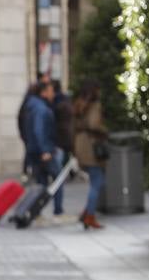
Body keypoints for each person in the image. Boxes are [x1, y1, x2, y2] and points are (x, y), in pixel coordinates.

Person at [25, 80, 65, 222]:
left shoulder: (31, 106)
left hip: (34, 151)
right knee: (58, 179)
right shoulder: (41, 109)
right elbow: (38, 130)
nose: (53, 93)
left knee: (41, 183)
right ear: (44, 92)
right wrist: (45, 150)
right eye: (50, 90)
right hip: (45, 151)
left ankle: (37, 211)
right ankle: (58, 210)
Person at [72, 79, 109, 230]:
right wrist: (105, 130)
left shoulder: (79, 104)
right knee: (97, 182)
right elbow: (94, 124)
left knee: (96, 180)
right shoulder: (94, 106)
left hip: (81, 144)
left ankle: (87, 212)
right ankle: (89, 216)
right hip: (92, 146)